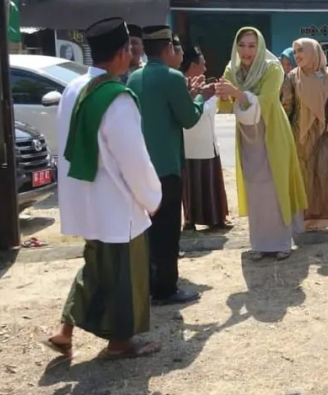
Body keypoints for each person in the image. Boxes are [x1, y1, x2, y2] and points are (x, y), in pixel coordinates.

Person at [46, 18, 162, 359]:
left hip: (83, 198)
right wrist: (151, 197)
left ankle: (65, 330)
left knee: (95, 267)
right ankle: (120, 343)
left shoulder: (73, 88)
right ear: (124, 52)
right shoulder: (117, 98)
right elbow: (134, 160)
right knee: (124, 276)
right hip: (115, 202)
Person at [127, 25, 212, 305]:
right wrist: (200, 97)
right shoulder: (172, 77)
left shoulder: (134, 77)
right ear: (167, 49)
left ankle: (148, 281)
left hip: (142, 164)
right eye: (176, 49)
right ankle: (166, 288)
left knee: (148, 228)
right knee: (167, 229)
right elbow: (189, 118)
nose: (180, 54)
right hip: (166, 165)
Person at [215, 27, 307, 260]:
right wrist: (223, 95)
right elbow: (225, 107)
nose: (246, 51)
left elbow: (266, 101)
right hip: (248, 137)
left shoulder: (272, 69)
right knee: (254, 187)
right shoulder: (232, 70)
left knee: (275, 187)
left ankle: (282, 242)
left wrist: (236, 93)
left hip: (272, 132)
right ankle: (259, 243)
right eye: (242, 45)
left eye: (252, 46)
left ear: (260, 47)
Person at [282, 38, 328, 226]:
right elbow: (287, 106)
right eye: (295, 51)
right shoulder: (292, 77)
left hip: (325, 134)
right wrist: (283, 132)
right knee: (303, 176)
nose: (297, 55)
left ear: (313, 52)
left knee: (323, 175)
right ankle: (303, 219)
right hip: (299, 135)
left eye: (301, 50)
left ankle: (323, 218)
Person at [181, 47, 230, 231]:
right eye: (202, 64)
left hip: (206, 143)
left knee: (207, 183)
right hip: (192, 143)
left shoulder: (199, 86)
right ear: (193, 65)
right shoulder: (181, 85)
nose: (205, 68)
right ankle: (192, 220)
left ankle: (214, 219)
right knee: (195, 184)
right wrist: (209, 97)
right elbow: (199, 112)